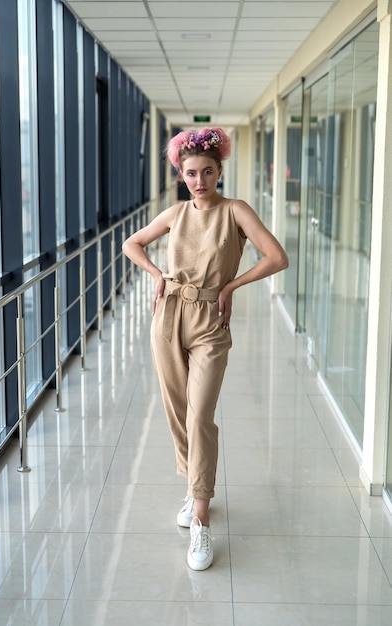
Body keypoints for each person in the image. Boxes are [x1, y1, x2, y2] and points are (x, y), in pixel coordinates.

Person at [122, 127, 288, 571]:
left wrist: (232, 284)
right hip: (168, 317)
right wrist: (157, 274)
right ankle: (195, 488)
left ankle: (200, 518)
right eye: (191, 173)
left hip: (210, 323)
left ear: (219, 171)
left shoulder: (235, 210)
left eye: (207, 171)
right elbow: (131, 243)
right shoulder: (176, 213)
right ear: (181, 173)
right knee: (178, 413)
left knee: (200, 415)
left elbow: (276, 257)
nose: (199, 180)